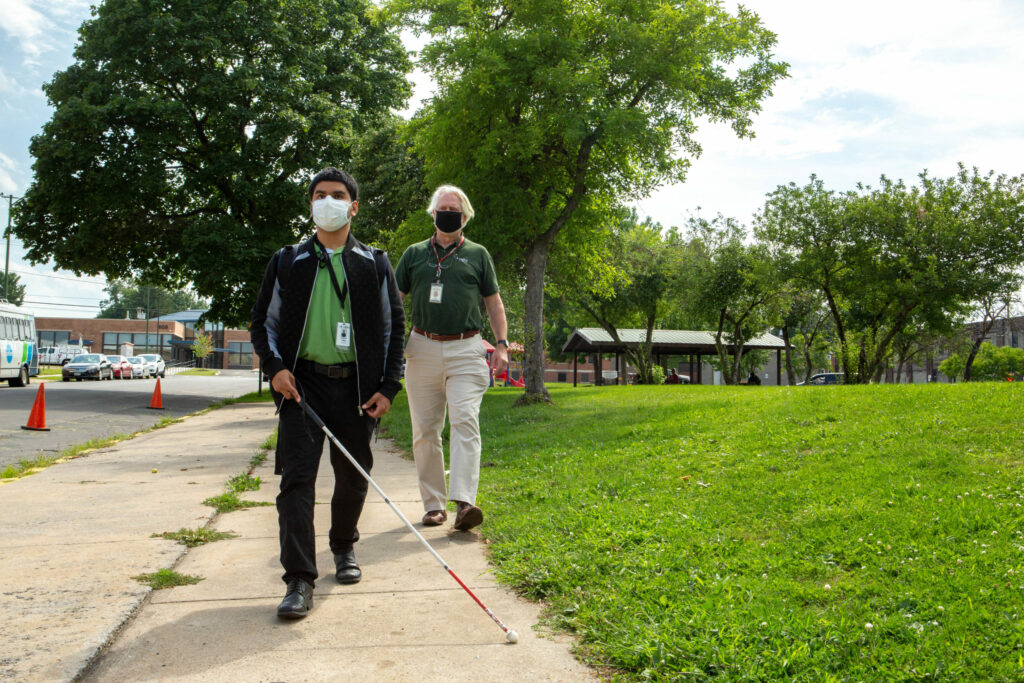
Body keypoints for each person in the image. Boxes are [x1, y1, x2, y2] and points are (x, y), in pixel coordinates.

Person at [250, 167, 405, 619]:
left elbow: (393, 330)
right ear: (311, 205)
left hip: (357, 387)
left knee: (353, 476)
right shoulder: (287, 261)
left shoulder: (374, 262)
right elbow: (263, 323)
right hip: (301, 387)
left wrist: (389, 387)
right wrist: (275, 369)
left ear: (354, 206)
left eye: (338, 195)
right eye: (320, 195)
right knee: (296, 482)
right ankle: (299, 579)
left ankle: (344, 546)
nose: (329, 202)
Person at [394, 185, 508, 531]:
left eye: (454, 209)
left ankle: (464, 502)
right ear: (432, 214)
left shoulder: (478, 255)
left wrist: (501, 344)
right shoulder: (414, 255)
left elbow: (494, 303)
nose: (447, 213)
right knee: (425, 430)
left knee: (464, 420)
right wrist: (387, 344)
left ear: (465, 215)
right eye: (442, 208)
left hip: (466, 348)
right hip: (422, 347)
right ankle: (433, 505)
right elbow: (393, 301)